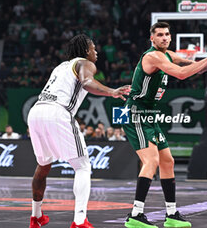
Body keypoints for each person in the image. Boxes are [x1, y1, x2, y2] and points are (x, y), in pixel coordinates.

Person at [122, 22, 207, 228]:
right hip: (136, 114)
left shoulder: (169, 55)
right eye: (160, 35)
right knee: (151, 162)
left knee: (167, 161)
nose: (165, 38)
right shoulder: (152, 57)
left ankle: (171, 215)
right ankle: (135, 215)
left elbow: (197, 68)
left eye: (167, 34)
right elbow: (181, 74)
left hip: (150, 115)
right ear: (152, 38)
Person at [27, 34, 130, 228]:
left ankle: (36, 217)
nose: (96, 52)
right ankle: (80, 220)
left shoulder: (61, 66)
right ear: (85, 51)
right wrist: (112, 91)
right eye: (93, 48)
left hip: (37, 110)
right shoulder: (85, 63)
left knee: (43, 166)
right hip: (58, 111)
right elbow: (87, 83)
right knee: (82, 166)